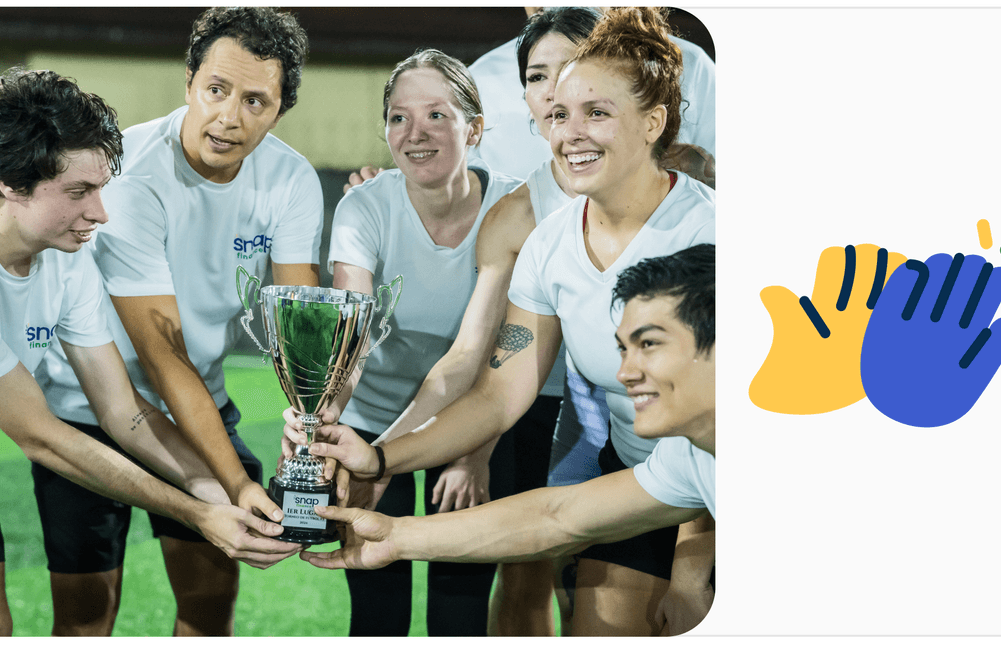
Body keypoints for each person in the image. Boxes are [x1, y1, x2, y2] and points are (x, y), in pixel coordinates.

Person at [297, 8, 716, 635]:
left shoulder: (710, 234)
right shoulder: (547, 243)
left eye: (596, 112)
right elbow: (495, 391)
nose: (569, 131)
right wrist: (381, 465)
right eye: (558, 112)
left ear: (652, 121)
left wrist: (696, 565)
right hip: (649, 474)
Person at [0, 67, 295, 637]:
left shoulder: (67, 249)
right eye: (79, 192)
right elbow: (40, 436)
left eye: (102, 188)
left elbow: (123, 410)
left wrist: (218, 488)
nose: (101, 213)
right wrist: (199, 514)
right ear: (9, 181)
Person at [33, 7, 322, 637]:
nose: (229, 117)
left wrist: (311, 425)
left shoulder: (292, 179)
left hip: (202, 404)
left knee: (210, 602)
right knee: (86, 616)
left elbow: (303, 329)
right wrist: (233, 484)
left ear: (279, 110)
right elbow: (163, 355)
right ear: (189, 80)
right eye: (216, 90)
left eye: (255, 101)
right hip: (89, 411)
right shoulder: (130, 176)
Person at [306, 244, 716, 636]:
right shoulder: (689, 456)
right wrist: (396, 538)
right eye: (622, 349)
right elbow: (557, 518)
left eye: (649, 344)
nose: (624, 373)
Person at [309, 47, 522, 637]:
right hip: (374, 421)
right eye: (399, 117)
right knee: (376, 610)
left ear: (474, 129)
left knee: (460, 609)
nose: (415, 133)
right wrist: (325, 425)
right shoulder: (364, 206)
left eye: (436, 115)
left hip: (473, 420)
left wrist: (474, 450)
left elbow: (496, 353)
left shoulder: (514, 207)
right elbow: (350, 337)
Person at [468, 7, 716, 182]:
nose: (555, 93)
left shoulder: (689, 64)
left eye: (570, 68)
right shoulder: (481, 79)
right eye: (536, 78)